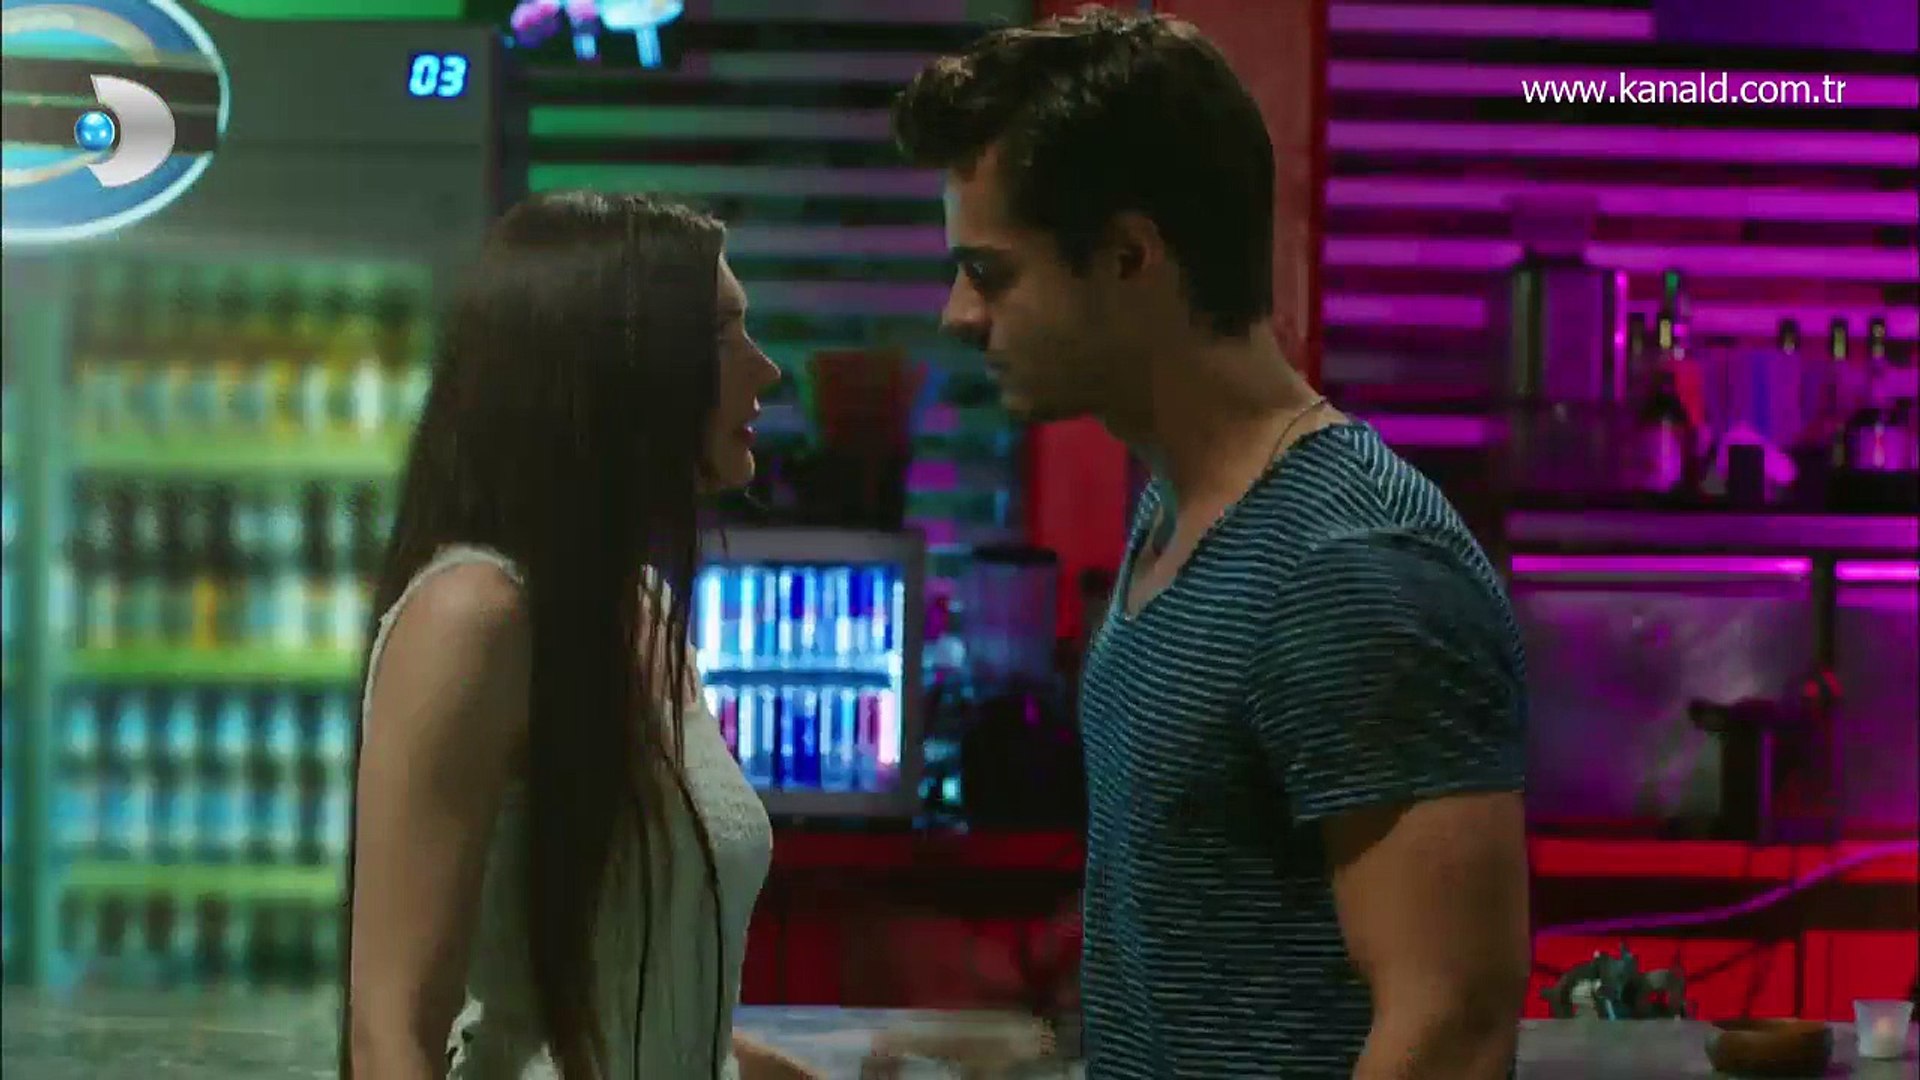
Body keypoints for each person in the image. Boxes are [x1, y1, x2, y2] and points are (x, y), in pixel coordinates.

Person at [893, 9, 1532, 1078]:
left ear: (1129, 257)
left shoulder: (1350, 563)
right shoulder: (1177, 515)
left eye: (990, 272)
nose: (958, 314)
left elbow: (1451, 1025)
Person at [339, 191, 820, 1080]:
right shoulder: (477, 615)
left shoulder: (639, 606)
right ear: (615, 362)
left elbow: (639, 1015)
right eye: (722, 334)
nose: (766, 371)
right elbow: (390, 1035)